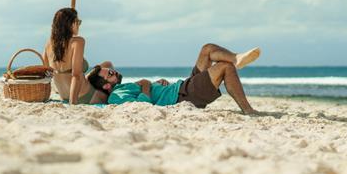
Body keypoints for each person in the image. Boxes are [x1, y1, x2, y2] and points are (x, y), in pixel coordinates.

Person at [86, 43, 261, 114]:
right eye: (110, 74)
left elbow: (147, 95)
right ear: (107, 87)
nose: (114, 72)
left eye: (112, 71)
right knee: (225, 67)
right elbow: (142, 106)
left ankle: (236, 57)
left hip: (182, 86)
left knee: (207, 49)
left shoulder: (123, 87)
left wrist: (156, 84)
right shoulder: (117, 96)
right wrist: (146, 85)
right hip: (183, 96)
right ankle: (248, 110)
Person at [42, 7, 113, 105]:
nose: (79, 25)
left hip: (63, 96)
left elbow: (46, 71)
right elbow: (76, 75)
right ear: (70, 24)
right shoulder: (78, 42)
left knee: (107, 64)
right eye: (78, 21)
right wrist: (73, 103)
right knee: (112, 86)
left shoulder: (49, 44)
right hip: (83, 96)